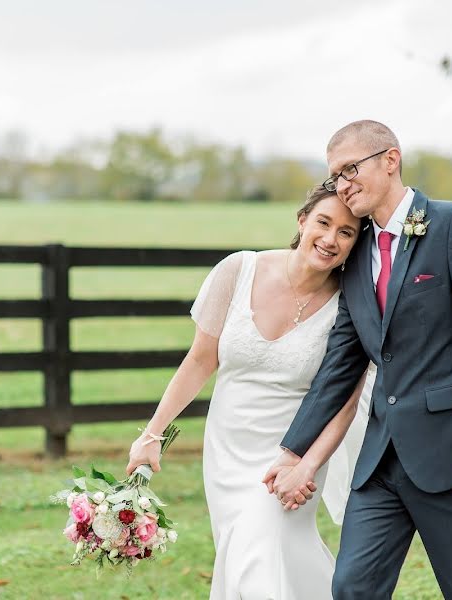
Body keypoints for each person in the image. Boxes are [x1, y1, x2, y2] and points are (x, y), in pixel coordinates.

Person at [264, 120, 452, 600]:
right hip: (379, 462)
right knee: (351, 589)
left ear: (390, 160)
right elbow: (341, 365)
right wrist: (292, 451)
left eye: (350, 169)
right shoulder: (355, 249)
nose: (343, 185)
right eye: (336, 176)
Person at [126, 185, 374, 599]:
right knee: (257, 553)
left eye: (346, 233)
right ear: (302, 221)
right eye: (323, 223)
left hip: (291, 451)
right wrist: (152, 435)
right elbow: (200, 360)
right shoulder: (238, 271)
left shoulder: (351, 303)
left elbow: (344, 403)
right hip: (227, 448)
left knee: (261, 553)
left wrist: (307, 464)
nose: (331, 239)